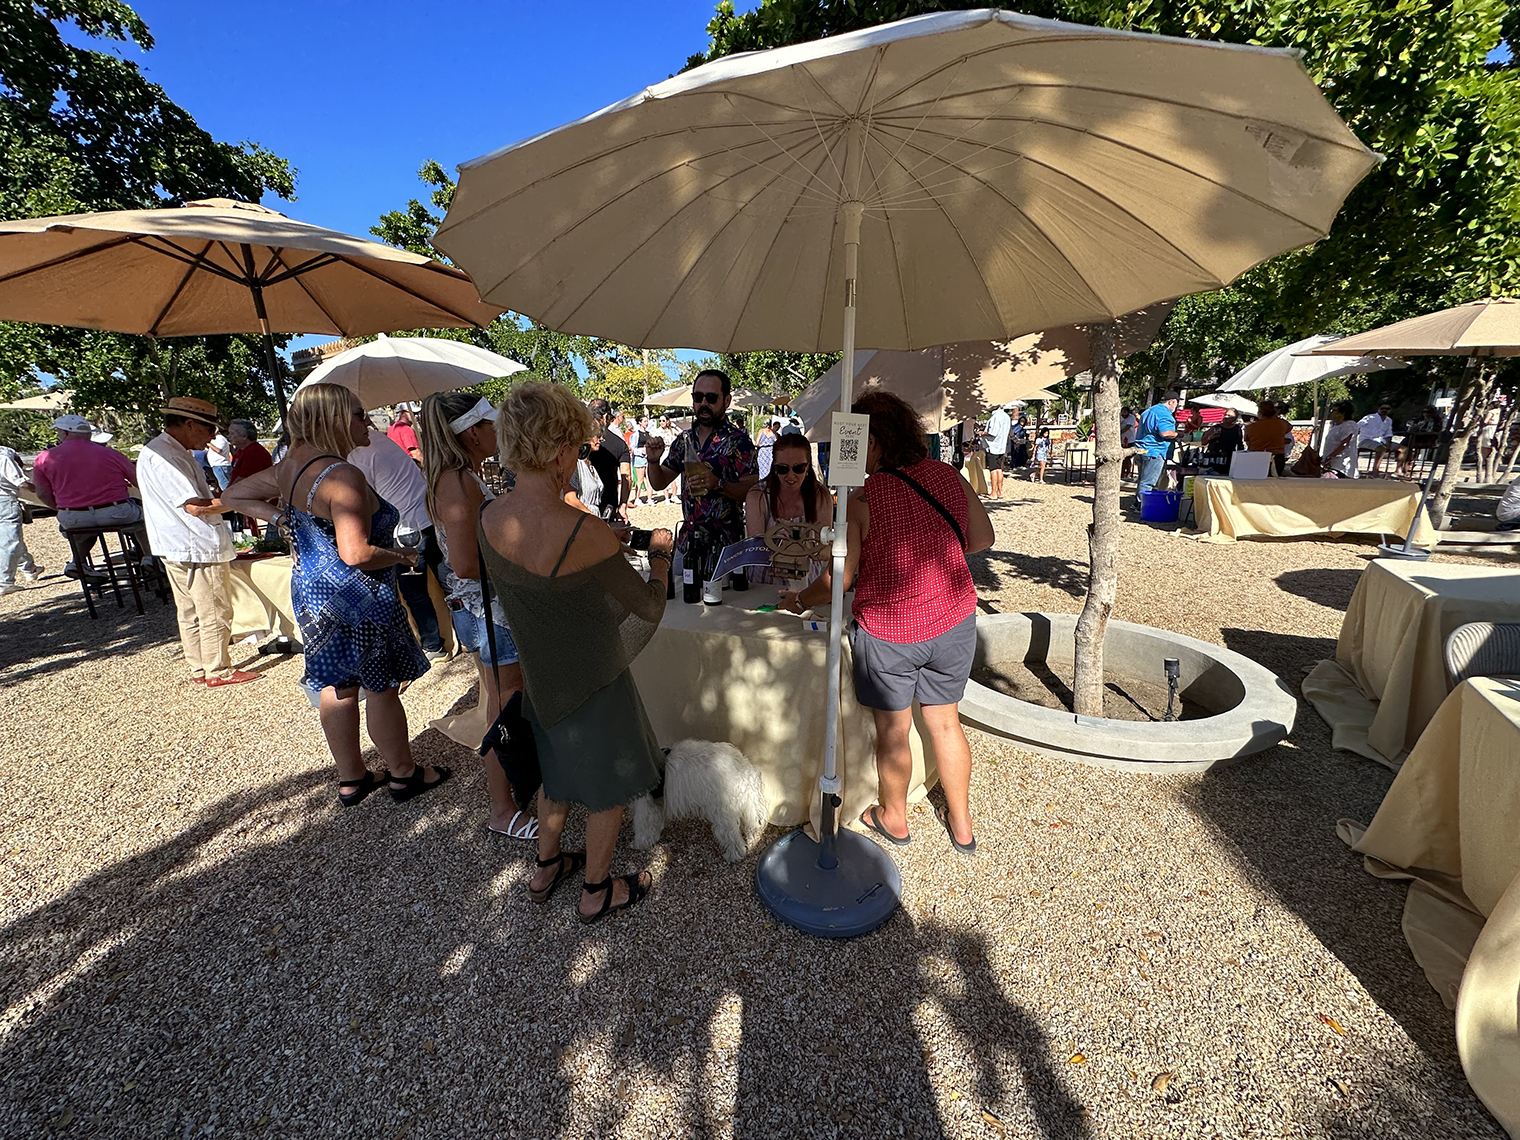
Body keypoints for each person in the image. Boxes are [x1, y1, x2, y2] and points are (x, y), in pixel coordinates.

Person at [479, 380, 674, 922]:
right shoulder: (584, 531)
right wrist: (661, 556)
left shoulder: (488, 518)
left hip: (541, 679)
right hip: (596, 678)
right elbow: (647, 607)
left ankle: (545, 868)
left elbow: (539, 597)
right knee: (609, 787)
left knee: (555, 775)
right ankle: (596, 889)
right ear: (562, 449)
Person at [782, 391, 993, 854]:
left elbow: (839, 580)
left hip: (890, 630)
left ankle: (894, 817)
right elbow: (982, 538)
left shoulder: (862, 499)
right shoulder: (947, 475)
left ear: (873, 441)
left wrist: (799, 600)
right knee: (946, 723)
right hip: (953, 618)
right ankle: (962, 825)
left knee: (893, 731)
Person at [223, 383, 445, 805]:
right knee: (380, 686)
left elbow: (234, 495)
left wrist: (280, 518)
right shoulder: (341, 476)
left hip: (313, 591)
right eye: (359, 414)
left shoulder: (289, 468)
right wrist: (403, 556)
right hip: (358, 596)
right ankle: (404, 774)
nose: (368, 422)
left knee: (336, 683)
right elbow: (356, 553)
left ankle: (351, 778)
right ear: (334, 419)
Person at [418, 391, 536, 839]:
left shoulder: (460, 476)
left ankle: (511, 796)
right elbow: (466, 562)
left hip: (485, 607)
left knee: (501, 704)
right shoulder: (457, 482)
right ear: (472, 433)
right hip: (491, 610)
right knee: (503, 711)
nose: (497, 432)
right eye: (490, 425)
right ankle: (502, 809)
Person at [136, 396, 258, 687]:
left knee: (190, 610)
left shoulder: (164, 450)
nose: (213, 436)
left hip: (176, 543)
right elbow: (196, 507)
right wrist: (240, 500)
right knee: (214, 608)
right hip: (196, 543)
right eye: (209, 429)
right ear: (189, 424)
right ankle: (218, 669)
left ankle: (200, 666)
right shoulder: (169, 455)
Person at [348, 425, 446, 660]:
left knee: (414, 592)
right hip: (427, 516)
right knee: (447, 581)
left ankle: (434, 645)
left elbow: (367, 501)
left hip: (406, 527)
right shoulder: (376, 439)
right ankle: (468, 636)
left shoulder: (357, 454)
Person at [644, 369, 758, 555]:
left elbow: (752, 491)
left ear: (726, 401)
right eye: (698, 397)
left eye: (711, 398)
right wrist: (653, 461)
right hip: (687, 544)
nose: (704, 403)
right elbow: (659, 483)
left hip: (725, 548)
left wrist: (718, 484)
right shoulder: (684, 440)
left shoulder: (739, 441)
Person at [29, 414, 148, 562]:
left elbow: (42, 493)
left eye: (59, 432)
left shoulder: (44, 457)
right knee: (144, 519)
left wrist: (60, 508)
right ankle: (150, 558)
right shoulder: (111, 454)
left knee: (82, 531)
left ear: (65, 433)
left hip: (73, 515)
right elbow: (139, 481)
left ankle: (78, 564)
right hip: (115, 511)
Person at [744, 428, 832, 586]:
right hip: (763, 586)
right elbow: (756, 547)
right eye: (783, 469)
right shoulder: (758, 495)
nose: (791, 476)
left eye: (798, 468)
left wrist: (807, 548)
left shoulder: (821, 496)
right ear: (774, 467)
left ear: (808, 466)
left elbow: (826, 549)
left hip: (805, 588)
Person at [0, 444, 42, 595]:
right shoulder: (4, 457)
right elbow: (21, 483)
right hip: (4, 500)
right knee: (10, 540)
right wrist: (42, 492)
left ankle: (29, 568)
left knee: (9, 537)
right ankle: (4, 582)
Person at [583, 398, 632, 521]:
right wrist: (623, 505)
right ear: (605, 417)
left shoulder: (579, 441)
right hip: (608, 506)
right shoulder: (619, 444)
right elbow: (627, 477)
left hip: (581, 505)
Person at [1133, 391, 1180, 502]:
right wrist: (1178, 434)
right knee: (1148, 482)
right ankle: (1142, 505)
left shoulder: (1148, 411)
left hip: (1141, 450)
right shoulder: (1164, 414)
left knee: (1142, 479)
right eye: (1176, 403)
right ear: (1171, 402)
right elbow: (1165, 433)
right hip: (1155, 451)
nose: (1176, 406)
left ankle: (1137, 503)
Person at [1243, 399, 1295, 476]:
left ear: (1260, 412)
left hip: (1256, 456)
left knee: (1256, 480)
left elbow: (1248, 442)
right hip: (1277, 457)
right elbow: (1289, 434)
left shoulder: (1250, 427)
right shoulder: (1283, 424)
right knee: (1275, 481)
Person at [1319, 401, 1360, 478]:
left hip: (1341, 466)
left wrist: (1330, 457)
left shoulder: (1349, 425)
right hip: (1332, 465)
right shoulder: (1335, 426)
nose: (1331, 412)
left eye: (1334, 410)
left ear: (1342, 413)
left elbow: (1345, 443)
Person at [1357, 401, 1396, 476]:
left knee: (1403, 449)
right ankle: (1375, 471)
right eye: (1382, 408)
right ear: (1378, 409)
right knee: (1381, 449)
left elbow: (1388, 433)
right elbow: (1357, 426)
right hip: (1366, 440)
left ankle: (1399, 471)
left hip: (1381, 441)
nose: (1384, 410)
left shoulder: (1389, 420)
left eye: (1387, 409)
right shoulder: (1369, 417)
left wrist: (1388, 443)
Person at [983, 402, 1013, 499]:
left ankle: (994, 492)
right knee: (999, 469)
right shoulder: (1006, 416)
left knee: (993, 470)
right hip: (1001, 446)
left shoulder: (996, 417)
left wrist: (982, 433)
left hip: (993, 446)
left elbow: (993, 432)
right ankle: (999, 492)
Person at [630, 414, 653, 504]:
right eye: (644, 421)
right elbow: (633, 447)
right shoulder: (636, 434)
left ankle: (649, 498)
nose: (646, 423)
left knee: (649, 479)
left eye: (647, 421)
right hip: (639, 459)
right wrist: (640, 452)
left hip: (647, 458)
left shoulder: (648, 433)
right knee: (640, 480)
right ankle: (637, 498)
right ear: (640, 422)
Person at [1120, 405, 1139, 480]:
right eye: (1123, 411)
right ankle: (1122, 473)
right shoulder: (1119, 417)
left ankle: (1128, 473)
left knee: (1127, 458)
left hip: (1130, 439)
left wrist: (1119, 432)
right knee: (1122, 459)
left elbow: (1127, 427)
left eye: (1126, 411)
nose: (1124, 412)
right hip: (1121, 440)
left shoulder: (1131, 417)